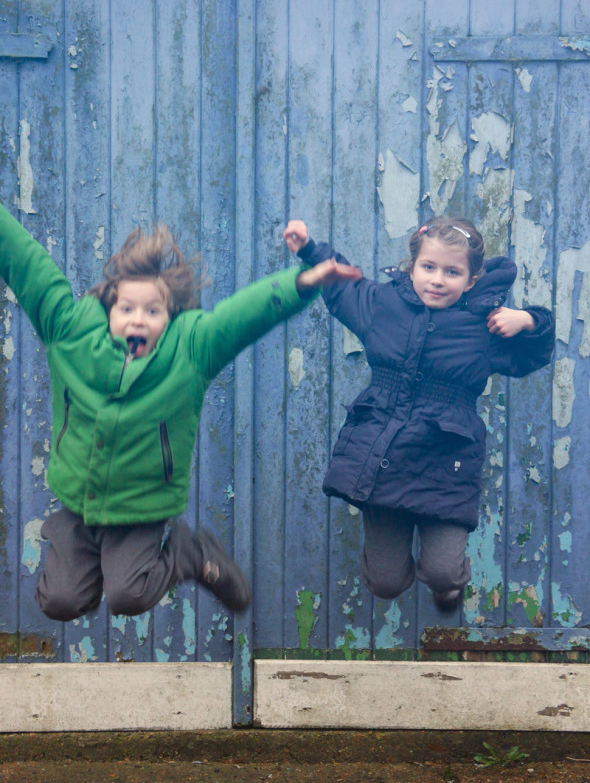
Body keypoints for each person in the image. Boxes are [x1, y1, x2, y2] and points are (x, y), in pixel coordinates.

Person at [0, 203, 361, 621]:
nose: (139, 319)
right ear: (109, 308)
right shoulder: (69, 331)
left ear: (170, 315)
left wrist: (302, 283)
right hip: (79, 504)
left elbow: (240, 317)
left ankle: (189, 553)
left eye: (153, 311)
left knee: (127, 596)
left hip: (141, 509)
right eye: (127, 309)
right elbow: (25, 262)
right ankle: (80, 561)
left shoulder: (190, 349)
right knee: (60, 602)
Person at [284, 216, 555, 612]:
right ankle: (396, 574)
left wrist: (529, 320)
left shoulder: (484, 327)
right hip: (384, 458)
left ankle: (448, 588)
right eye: (429, 267)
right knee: (386, 581)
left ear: (472, 280)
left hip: (446, 464)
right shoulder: (382, 305)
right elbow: (343, 288)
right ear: (412, 266)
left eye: (452, 271)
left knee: (443, 571)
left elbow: (534, 353)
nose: (438, 279)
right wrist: (310, 250)